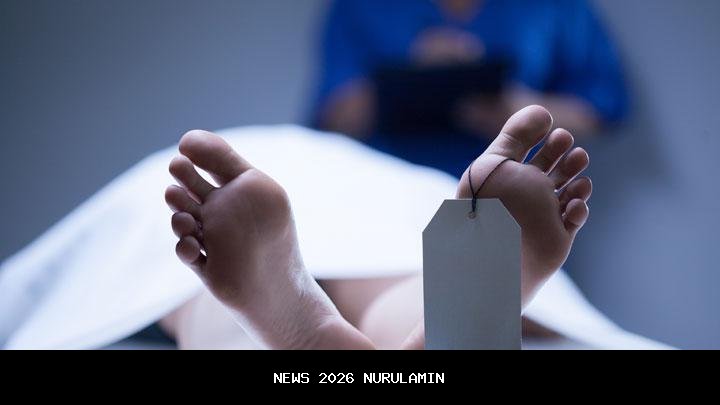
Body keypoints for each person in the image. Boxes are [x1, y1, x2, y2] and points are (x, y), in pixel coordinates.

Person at [164, 106, 592, 349]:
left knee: (196, 296)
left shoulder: (211, 192)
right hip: (387, 210)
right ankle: (451, 319)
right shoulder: (384, 176)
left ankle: (279, 334)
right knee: (399, 277)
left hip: (359, 202)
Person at [313, 0, 628, 176]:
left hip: (509, 204)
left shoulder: (552, 7)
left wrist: (521, 112)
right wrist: (414, 77)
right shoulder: (361, 7)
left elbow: (603, 106)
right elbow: (333, 118)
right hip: (391, 197)